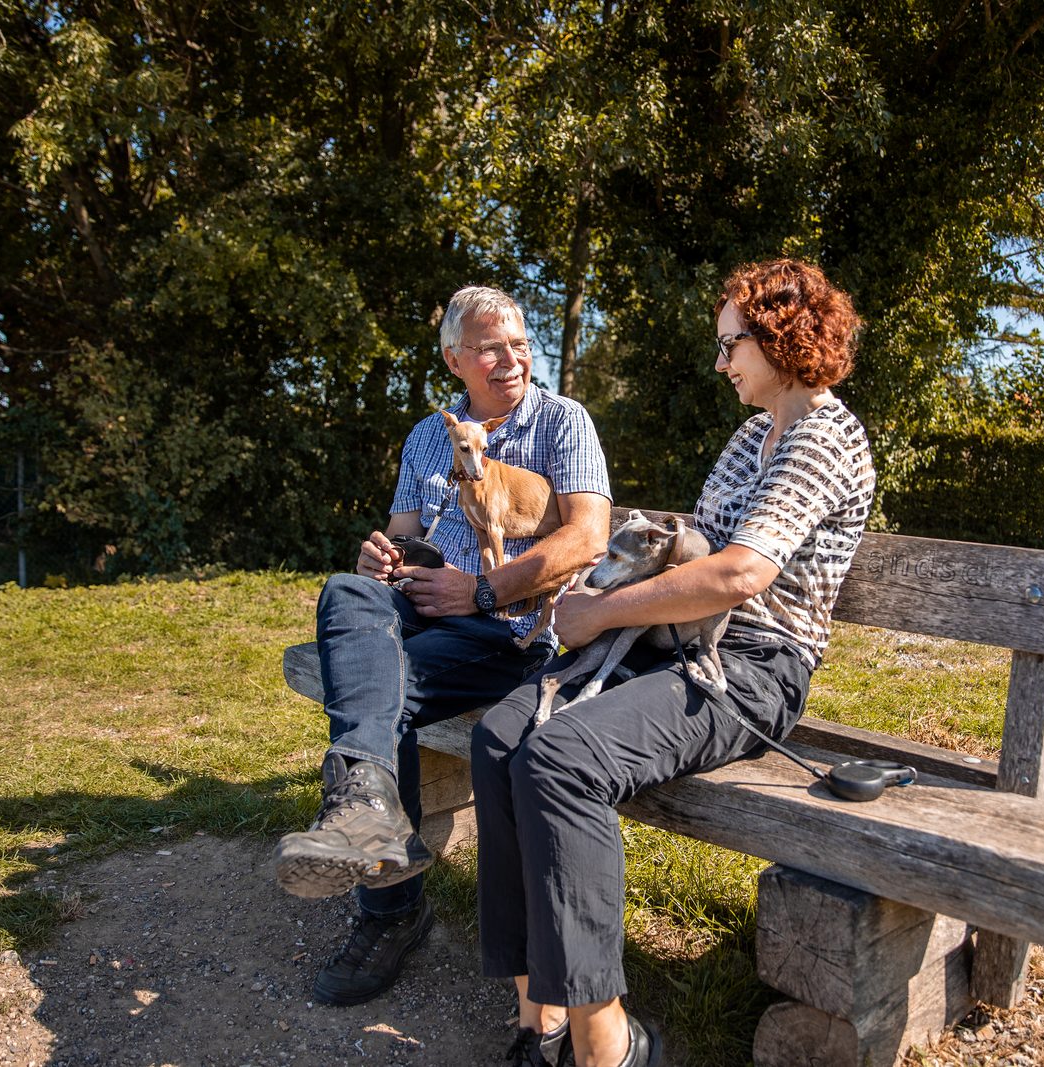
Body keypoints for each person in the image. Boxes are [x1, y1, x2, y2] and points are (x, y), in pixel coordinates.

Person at [469, 259, 876, 1067]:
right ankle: (538, 1018)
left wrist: (598, 611)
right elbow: (697, 545)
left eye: (732, 346)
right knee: (500, 735)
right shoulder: (750, 436)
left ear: (780, 339)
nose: (722, 363)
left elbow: (739, 573)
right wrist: (607, 576)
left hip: (756, 668)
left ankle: (606, 1044)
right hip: (680, 643)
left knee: (561, 758)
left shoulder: (829, 435)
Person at [273, 286, 612, 1011]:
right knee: (345, 590)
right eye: (491, 346)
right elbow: (402, 535)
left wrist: (481, 592)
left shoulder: (561, 422)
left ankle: (389, 910)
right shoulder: (429, 436)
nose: (511, 357)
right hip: (418, 610)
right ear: (455, 358)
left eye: (520, 342)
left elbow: (587, 537)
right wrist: (383, 557)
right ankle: (368, 806)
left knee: (375, 687)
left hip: (506, 627)